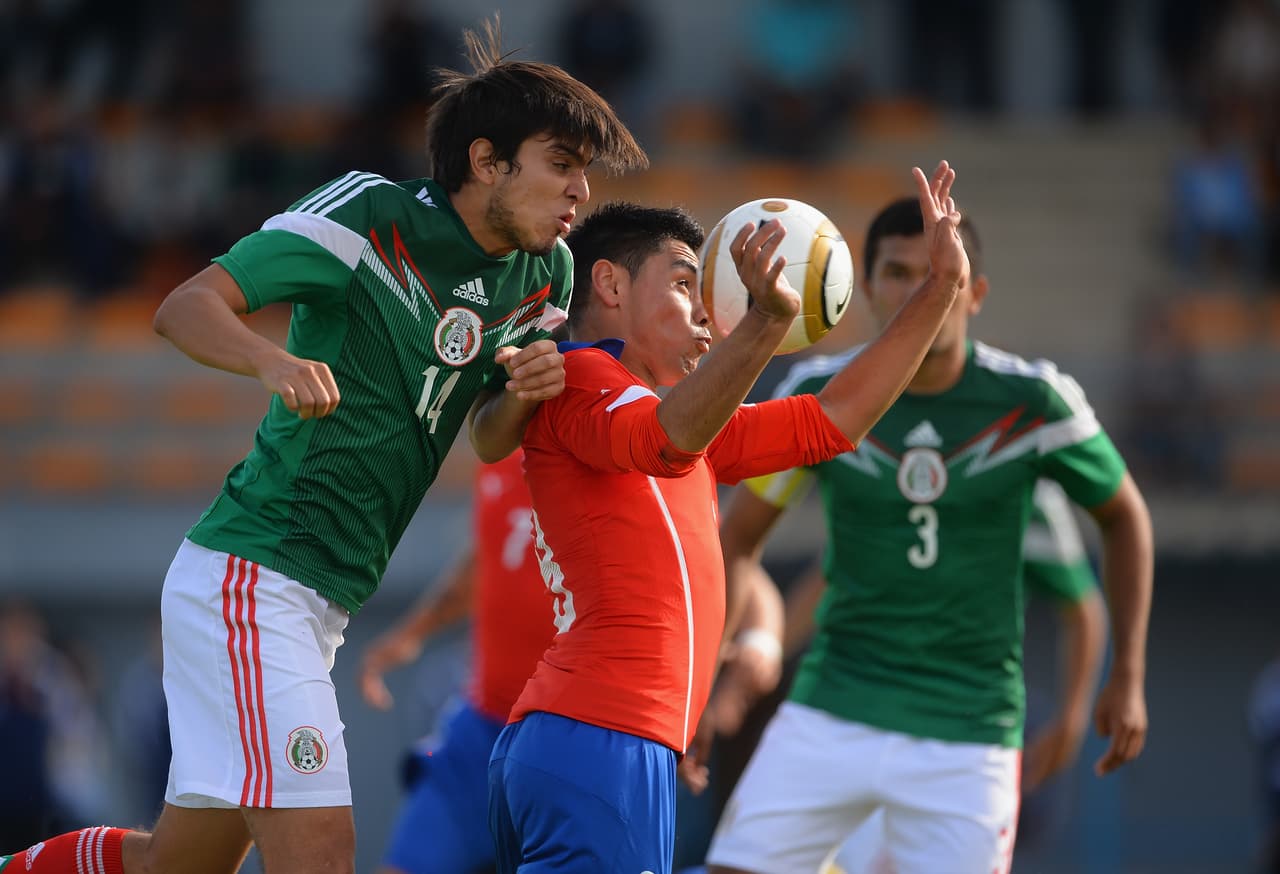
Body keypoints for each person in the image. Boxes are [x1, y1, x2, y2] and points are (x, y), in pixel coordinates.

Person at [0, 18, 646, 874]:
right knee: (323, 853)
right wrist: (273, 360)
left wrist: (521, 396)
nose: (580, 194)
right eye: (561, 163)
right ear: (487, 161)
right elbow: (186, 306)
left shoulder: (545, 274)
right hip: (252, 575)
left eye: (585, 171)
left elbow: (488, 439)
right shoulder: (367, 214)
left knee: (178, 865)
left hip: (322, 602)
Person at [488, 160, 968, 874]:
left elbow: (832, 421)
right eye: (685, 284)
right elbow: (665, 438)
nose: (708, 309)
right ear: (610, 285)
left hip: (604, 740)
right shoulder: (582, 376)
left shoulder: (673, 414)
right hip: (597, 736)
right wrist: (768, 322)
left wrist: (940, 290)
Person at [703, 196, 1154, 874]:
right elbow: (736, 540)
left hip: (969, 732)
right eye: (895, 271)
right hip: (832, 708)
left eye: (935, 271)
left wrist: (1127, 675)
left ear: (973, 292)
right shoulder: (817, 393)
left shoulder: (1035, 402)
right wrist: (713, 674)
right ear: (864, 288)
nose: (918, 288)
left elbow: (1125, 517)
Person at [361, 449, 787, 874]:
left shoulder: (620, 450)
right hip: (483, 725)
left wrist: (759, 641)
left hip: (589, 737)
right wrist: (414, 631)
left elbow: (728, 561)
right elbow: (495, 550)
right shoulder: (502, 441)